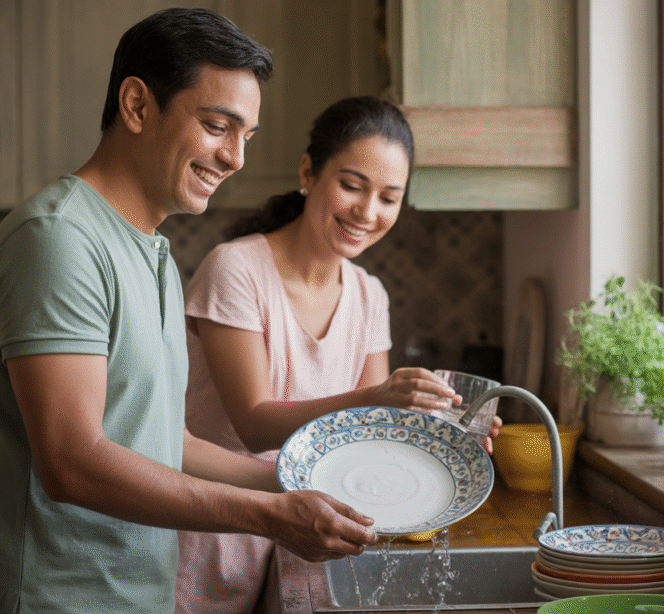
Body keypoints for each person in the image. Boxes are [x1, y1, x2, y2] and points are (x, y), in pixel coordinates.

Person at [0, 9, 377, 614]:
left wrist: (307, 484)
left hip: (134, 597)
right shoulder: (58, 240)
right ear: (136, 105)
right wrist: (270, 517)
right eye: (216, 126)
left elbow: (163, 442)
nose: (234, 157)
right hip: (51, 599)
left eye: (246, 137)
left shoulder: (151, 252)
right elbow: (72, 463)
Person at [174, 96, 501, 613]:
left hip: (307, 541)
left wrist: (446, 436)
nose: (367, 213)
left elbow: (375, 436)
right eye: (352, 185)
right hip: (213, 536)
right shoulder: (235, 271)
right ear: (309, 172)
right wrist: (378, 395)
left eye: (389, 197)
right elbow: (253, 425)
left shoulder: (369, 294)